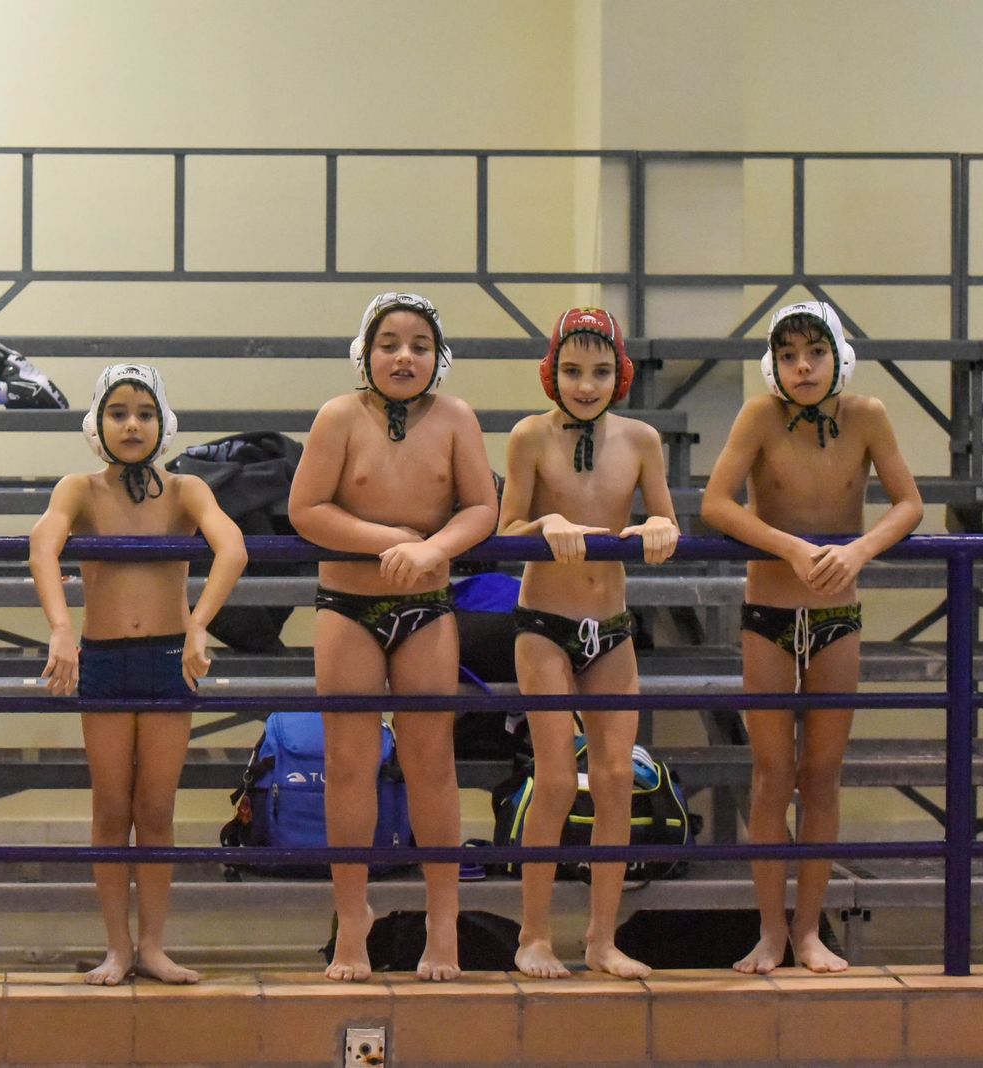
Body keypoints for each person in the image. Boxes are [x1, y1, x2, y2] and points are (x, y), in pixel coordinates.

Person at [701, 300, 922, 974]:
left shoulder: (868, 417)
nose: (803, 368)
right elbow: (714, 503)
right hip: (769, 614)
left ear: (839, 359)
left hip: (835, 619)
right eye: (790, 356)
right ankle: (769, 931)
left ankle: (809, 932)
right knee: (772, 776)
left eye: (815, 354)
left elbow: (909, 504)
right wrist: (789, 548)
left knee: (822, 775)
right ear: (774, 365)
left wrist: (857, 552)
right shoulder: (758, 418)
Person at [288, 292, 497, 982]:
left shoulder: (457, 419)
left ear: (439, 358)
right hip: (348, 606)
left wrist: (437, 549)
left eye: (418, 345)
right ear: (364, 353)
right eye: (389, 343)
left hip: (426, 611)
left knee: (432, 762)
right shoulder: (338, 417)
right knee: (349, 764)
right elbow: (307, 509)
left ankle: (444, 921)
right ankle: (353, 917)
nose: (403, 356)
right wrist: (391, 541)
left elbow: (483, 507)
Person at [29, 363, 246, 985]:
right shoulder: (80, 489)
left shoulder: (185, 491)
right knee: (110, 806)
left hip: (167, 658)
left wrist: (200, 622)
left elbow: (231, 547)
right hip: (102, 658)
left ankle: (152, 944)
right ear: (97, 422)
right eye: (118, 412)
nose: (131, 424)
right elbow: (42, 545)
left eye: (145, 414)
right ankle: (116, 947)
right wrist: (62, 627)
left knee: (155, 808)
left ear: (165, 423)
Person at [496, 307, 679, 981]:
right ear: (552, 372)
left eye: (600, 371)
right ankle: (533, 935)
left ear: (620, 374)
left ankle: (601, 939)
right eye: (572, 371)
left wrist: (661, 528)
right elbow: (504, 525)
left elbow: (666, 515)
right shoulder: (528, 437)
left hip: (613, 628)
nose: (585, 384)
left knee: (611, 781)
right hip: (543, 622)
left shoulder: (641, 440)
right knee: (551, 780)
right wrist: (544, 520)